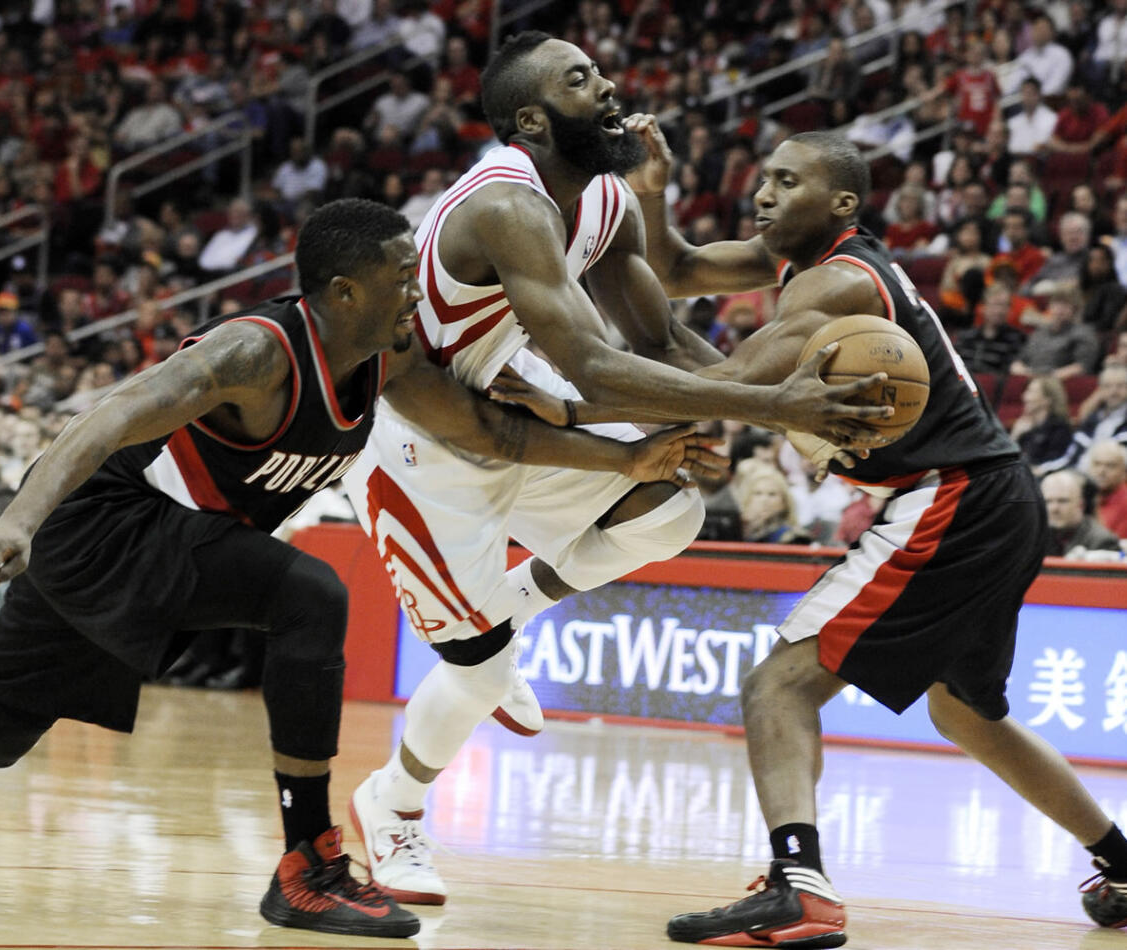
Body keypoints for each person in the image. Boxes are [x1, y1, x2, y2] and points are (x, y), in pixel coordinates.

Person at [0, 199, 725, 940]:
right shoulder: (252, 353)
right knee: (309, 594)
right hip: (112, 524)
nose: (420, 293)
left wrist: (626, 461)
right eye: (404, 279)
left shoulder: (389, 360)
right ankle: (308, 867)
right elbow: (109, 413)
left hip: (171, 536)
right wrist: (16, 519)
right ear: (343, 292)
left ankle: (309, 866)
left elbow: (491, 436)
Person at [338, 32, 891, 909]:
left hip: (516, 406)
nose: (608, 88)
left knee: (667, 508)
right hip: (425, 449)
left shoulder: (605, 198)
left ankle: (506, 608)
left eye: (599, 71)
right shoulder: (507, 205)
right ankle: (393, 804)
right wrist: (779, 406)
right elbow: (595, 373)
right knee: (477, 674)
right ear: (533, 118)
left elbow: (659, 339)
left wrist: (773, 411)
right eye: (580, 79)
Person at [615, 119, 1127, 945]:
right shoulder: (806, 260)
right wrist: (649, 188)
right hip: (1000, 496)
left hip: (952, 495)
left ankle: (800, 886)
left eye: (788, 181)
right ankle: (1123, 859)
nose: (765, 191)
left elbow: (727, 386)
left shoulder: (836, 286)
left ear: (842, 201)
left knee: (778, 686)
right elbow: (674, 269)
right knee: (967, 715)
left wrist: (577, 375)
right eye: (765, 178)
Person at [1040, 468, 1123, 556]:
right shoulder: (1036, 537)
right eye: (1048, 501)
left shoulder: (1102, 541)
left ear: (1081, 505)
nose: (1054, 508)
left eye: (1062, 501)